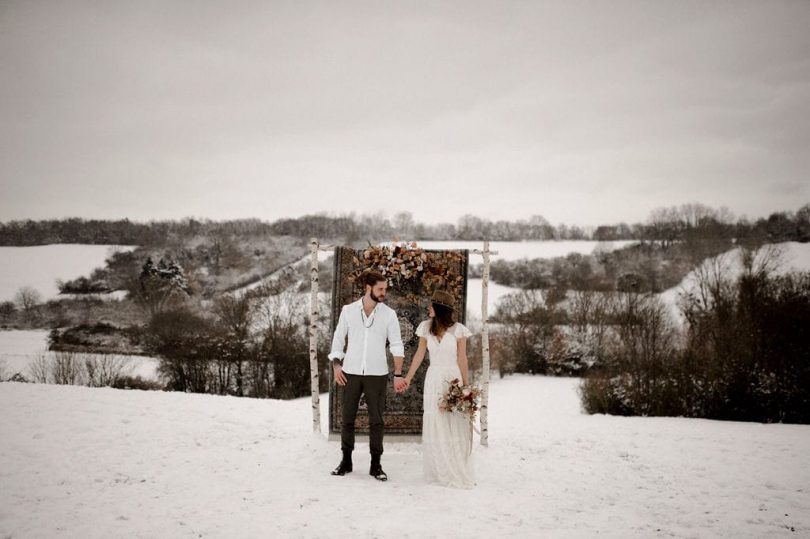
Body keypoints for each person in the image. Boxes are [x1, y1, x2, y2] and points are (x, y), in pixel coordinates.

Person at [329, 269, 405, 482]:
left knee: (377, 421)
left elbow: (397, 345)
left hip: (377, 374)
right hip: (350, 372)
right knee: (347, 419)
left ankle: (376, 465)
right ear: (368, 288)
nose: (384, 293)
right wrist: (337, 366)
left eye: (385, 289)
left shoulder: (389, 314)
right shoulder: (348, 311)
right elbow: (337, 339)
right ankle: (346, 461)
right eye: (380, 289)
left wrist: (398, 374)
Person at [400, 290, 475, 489]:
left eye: (431, 305)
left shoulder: (459, 330)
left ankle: (454, 464)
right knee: (436, 420)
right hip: (433, 379)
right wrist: (408, 377)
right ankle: (438, 467)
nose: (428, 308)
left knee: (452, 420)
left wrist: (466, 387)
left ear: (440, 308)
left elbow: (462, 358)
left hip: (453, 379)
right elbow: (419, 355)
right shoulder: (425, 328)